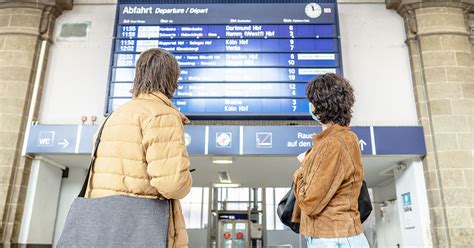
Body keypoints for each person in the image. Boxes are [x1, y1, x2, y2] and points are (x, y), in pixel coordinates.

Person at [85, 48, 193, 247]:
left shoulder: (113, 117)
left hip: (102, 227)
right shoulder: (161, 115)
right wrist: (186, 177)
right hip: (142, 229)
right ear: (172, 79)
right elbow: (172, 184)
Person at [293, 73, 369, 247]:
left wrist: (301, 168)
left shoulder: (334, 142)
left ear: (319, 105)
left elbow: (310, 203)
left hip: (334, 239)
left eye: (312, 100)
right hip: (333, 236)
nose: (310, 105)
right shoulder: (337, 140)